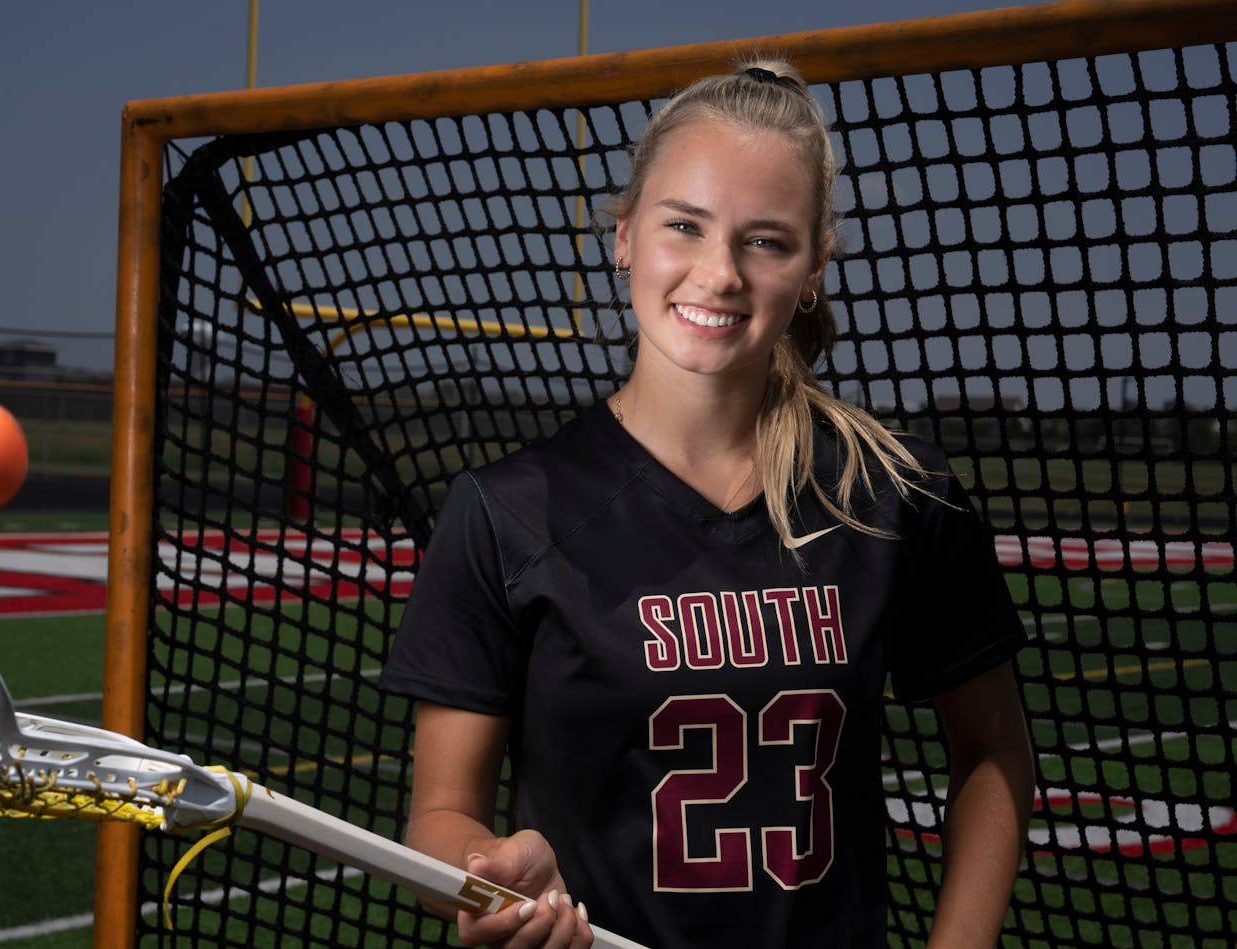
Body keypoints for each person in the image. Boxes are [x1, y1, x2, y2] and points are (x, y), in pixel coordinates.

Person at [381, 59, 1034, 949]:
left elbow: (994, 752)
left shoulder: (893, 494)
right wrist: (487, 872)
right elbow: (443, 812)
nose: (719, 272)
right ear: (623, 236)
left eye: (766, 240)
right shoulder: (505, 511)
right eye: (683, 225)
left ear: (812, 269)